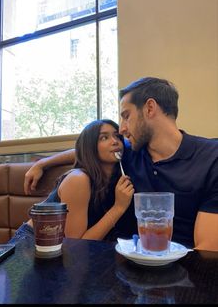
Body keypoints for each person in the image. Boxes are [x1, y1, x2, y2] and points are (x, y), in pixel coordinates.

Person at [24, 77, 218, 251]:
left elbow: (208, 251)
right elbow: (89, 150)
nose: (122, 129)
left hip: (180, 268)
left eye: (126, 116)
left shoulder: (210, 158)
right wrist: (44, 163)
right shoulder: (129, 151)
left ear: (150, 108)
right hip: (118, 260)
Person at [10, 119, 134, 244]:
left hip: (65, 251)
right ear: (90, 148)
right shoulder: (78, 179)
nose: (114, 142)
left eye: (117, 136)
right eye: (104, 138)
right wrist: (119, 207)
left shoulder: (115, 176)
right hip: (31, 244)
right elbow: (76, 245)